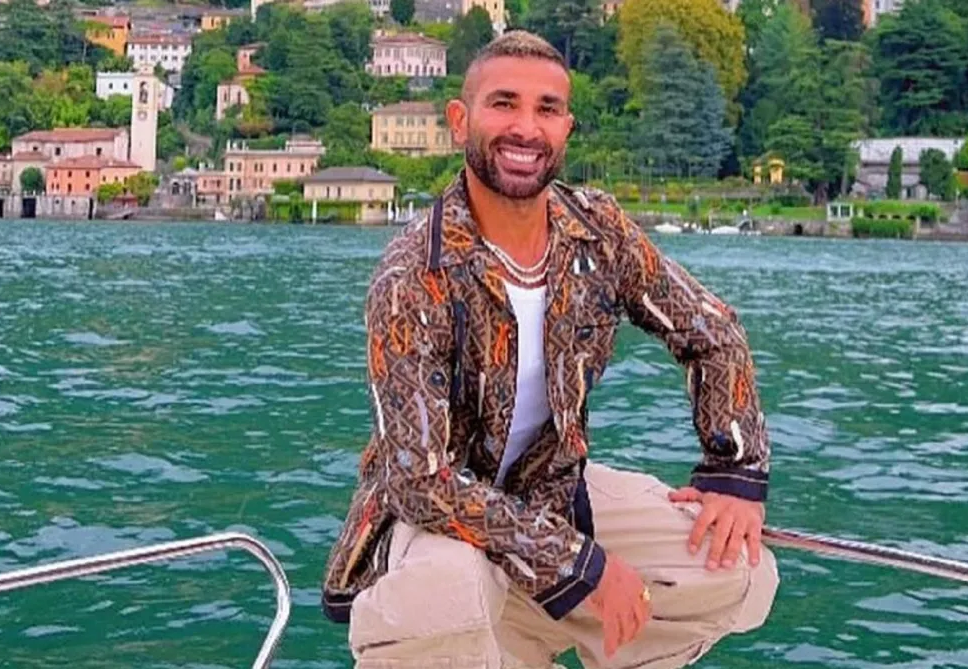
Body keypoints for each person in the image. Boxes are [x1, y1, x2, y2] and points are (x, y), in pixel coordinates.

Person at [322, 30, 778, 669]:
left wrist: (734, 471)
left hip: (551, 493)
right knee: (450, 589)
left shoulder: (597, 231)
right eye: (503, 103)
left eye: (547, 109)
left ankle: (522, 644)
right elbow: (419, 481)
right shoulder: (415, 274)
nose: (525, 129)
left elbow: (711, 330)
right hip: (429, 521)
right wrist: (578, 563)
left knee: (734, 566)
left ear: (567, 127)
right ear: (460, 120)